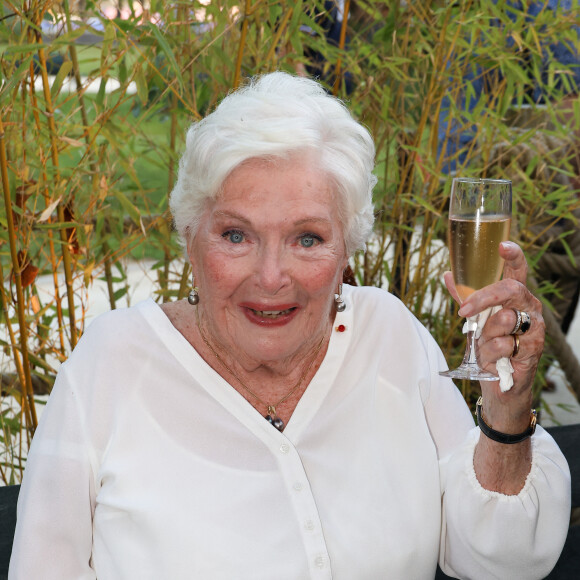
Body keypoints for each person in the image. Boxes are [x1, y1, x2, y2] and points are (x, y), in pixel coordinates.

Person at [9, 72, 570, 579]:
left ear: (347, 249)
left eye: (307, 238)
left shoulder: (390, 335)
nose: (271, 277)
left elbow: (504, 558)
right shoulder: (111, 364)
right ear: (188, 238)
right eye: (236, 235)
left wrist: (507, 408)